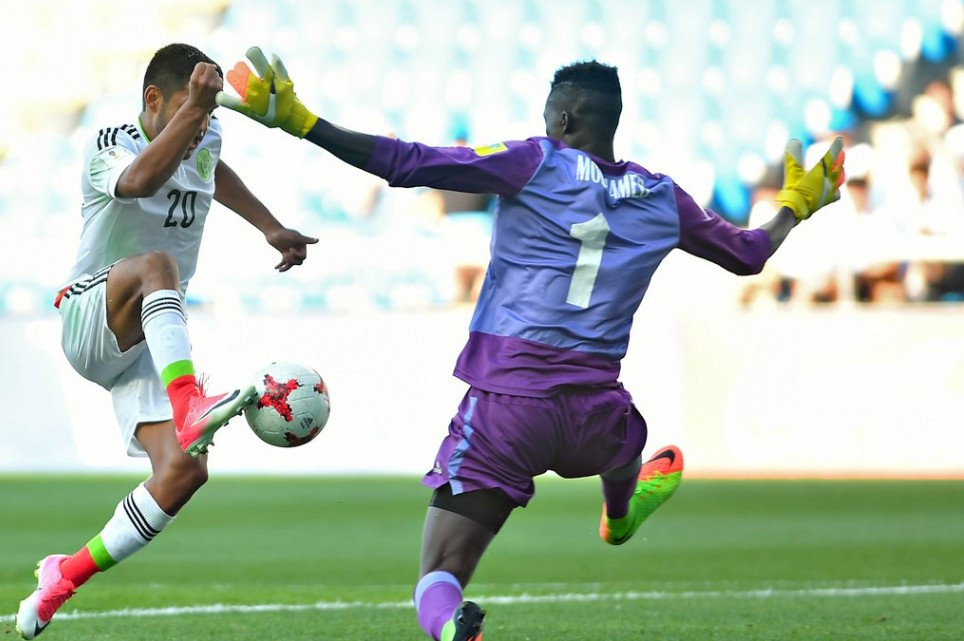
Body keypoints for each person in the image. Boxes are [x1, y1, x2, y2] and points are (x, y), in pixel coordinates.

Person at [217, 48, 844, 641]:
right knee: (627, 435)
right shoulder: (663, 198)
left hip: (507, 409)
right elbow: (747, 255)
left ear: (564, 118)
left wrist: (302, 123)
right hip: (595, 413)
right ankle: (619, 514)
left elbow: (405, 163)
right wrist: (795, 204)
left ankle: (449, 626)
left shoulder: (534, 161)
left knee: (438, 572)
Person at [14, 43, 318, 639]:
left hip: (152, 334)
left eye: (207, 117)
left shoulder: (204, 136)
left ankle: (62, 577)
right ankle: (189, 404)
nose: (201, 125)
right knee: (156, 264)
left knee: (183, 473)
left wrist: (268, 225)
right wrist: (193, 114)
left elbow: (209, 168)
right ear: (154, 100)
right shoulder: (111, 143)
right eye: (189, 110)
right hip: (91, 313)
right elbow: (137, 182)